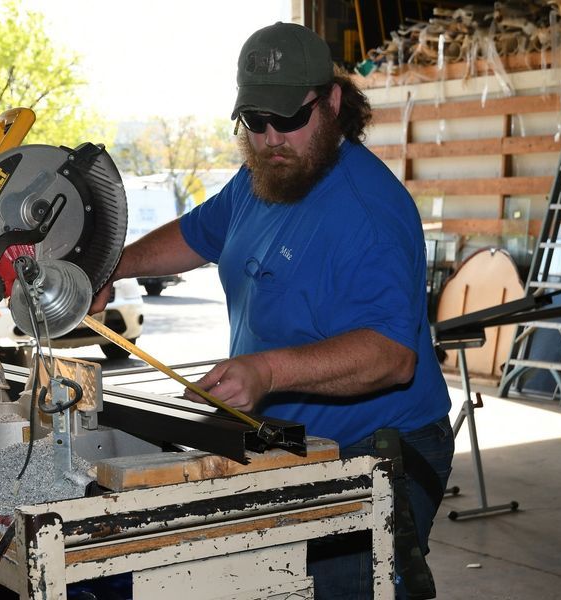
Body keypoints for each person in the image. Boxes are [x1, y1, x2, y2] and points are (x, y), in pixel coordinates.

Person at [90, 21, 453, 600]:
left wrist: (266, 372)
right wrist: (111, 267)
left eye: (288, 119)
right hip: (285, 439)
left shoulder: (370, 212)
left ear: (332, 103)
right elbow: (197, 234)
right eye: (255, 123)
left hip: (379, 450)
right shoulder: (263, 178)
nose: (271, 139)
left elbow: (392, 357)